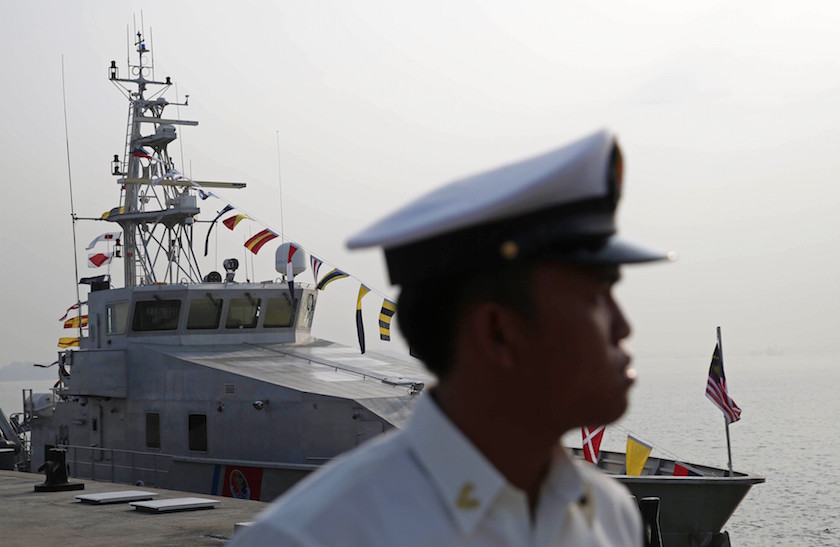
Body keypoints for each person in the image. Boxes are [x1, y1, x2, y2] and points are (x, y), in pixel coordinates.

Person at [229, 129, 670, 546]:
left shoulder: (608, 515)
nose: (623, 326)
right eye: (595, 297)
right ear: (498, 333)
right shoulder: (314, 536)